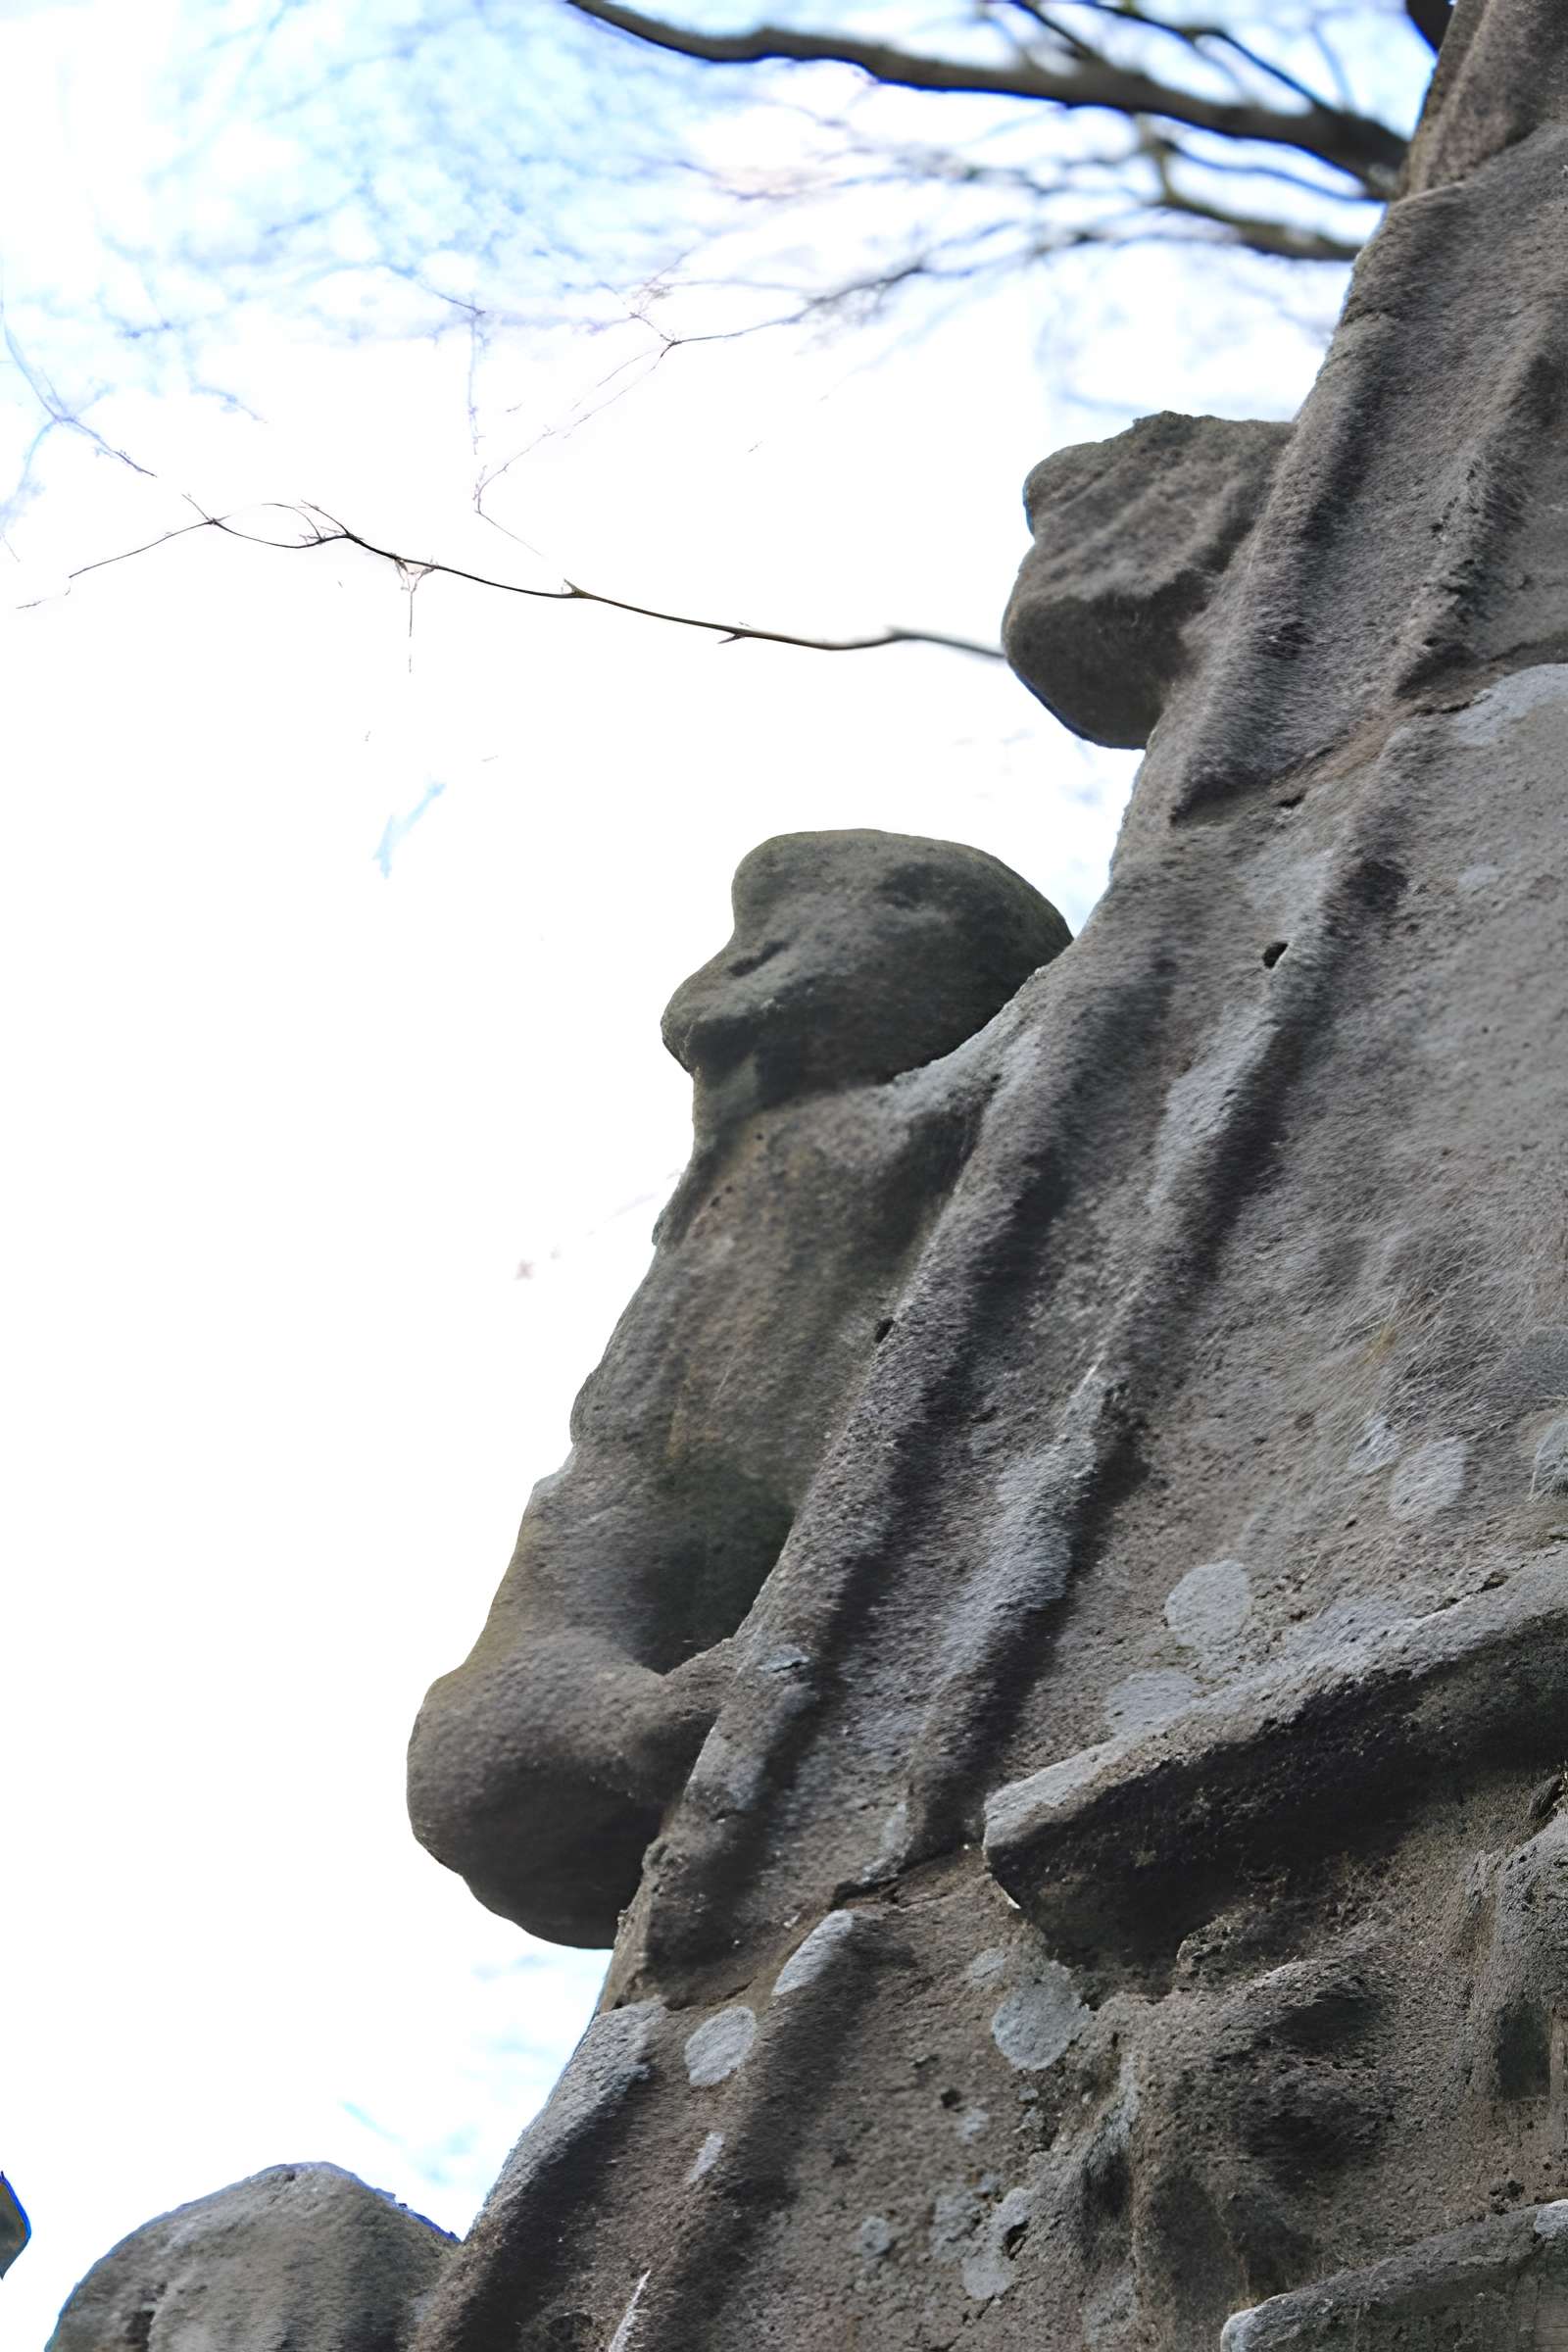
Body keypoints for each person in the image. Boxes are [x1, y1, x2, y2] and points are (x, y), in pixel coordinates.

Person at [407, 829, 1070, 1946]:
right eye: (904, 903)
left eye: (926, 910)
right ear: (760, 962)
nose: (922, 933)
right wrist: (625, 1720)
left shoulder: (842, 1146)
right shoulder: (787, 1164)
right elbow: (460, 1763)